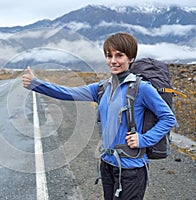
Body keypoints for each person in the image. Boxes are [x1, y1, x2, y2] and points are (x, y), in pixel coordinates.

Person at [22, 32, 176, 200]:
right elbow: (68, 93)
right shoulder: (102, 88)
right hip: (108, 165)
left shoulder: (142, 88)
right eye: (109, 56)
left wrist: (144, 139)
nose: (113, 61)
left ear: (131, 58)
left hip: (132, 170)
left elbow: (168, 118)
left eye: (119, 55)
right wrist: (35, 84)